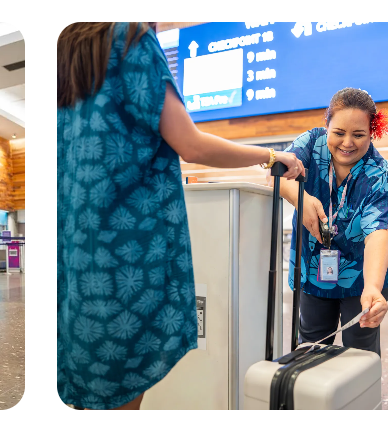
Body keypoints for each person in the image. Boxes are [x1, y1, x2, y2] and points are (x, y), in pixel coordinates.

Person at [56, 22, 305, 410]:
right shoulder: (129, 36)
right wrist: (271, 155)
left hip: (76, 256)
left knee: (87, 380)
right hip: (127, 258)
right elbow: (190, 144)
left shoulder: (67, 46)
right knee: (122, 391)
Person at [277, 87, 388, 357]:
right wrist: (301, 199)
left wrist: (372, 287)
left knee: (359, 347)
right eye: (339, 133)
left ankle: (357, 399)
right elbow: (276, 176)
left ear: (372, 133)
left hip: (365, 267)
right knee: (311, 341)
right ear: (327, 126)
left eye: (359, 135)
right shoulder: (311, 144)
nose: (347, 143)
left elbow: (378, 232)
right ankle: (312, 398)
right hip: (316, 262)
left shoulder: (377, 173)